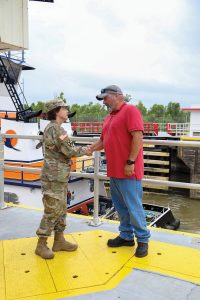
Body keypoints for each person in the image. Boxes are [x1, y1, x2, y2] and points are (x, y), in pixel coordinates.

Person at [89, 85, 150, 258]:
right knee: (120, 206)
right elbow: (103, 141)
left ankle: (143, 240)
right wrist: (90, 148)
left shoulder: (130, 111)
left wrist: (130, 161)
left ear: (117, 96)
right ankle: (126, 236)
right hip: (114, 170)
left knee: (134, 206)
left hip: (128, 170)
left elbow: (138, 137)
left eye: (105, 98)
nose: (104, 102)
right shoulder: (109, 117)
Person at [35, 98, 90, 259]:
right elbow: (69, 150)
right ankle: (41, 244)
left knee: (61, 207)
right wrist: (87, 150)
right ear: (57, 111)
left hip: (58, 175)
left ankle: (59, 240)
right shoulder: (57, 130)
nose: (67, 111)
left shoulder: (53, 128)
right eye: (64, 108)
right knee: (53, 209)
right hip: (54, 176)